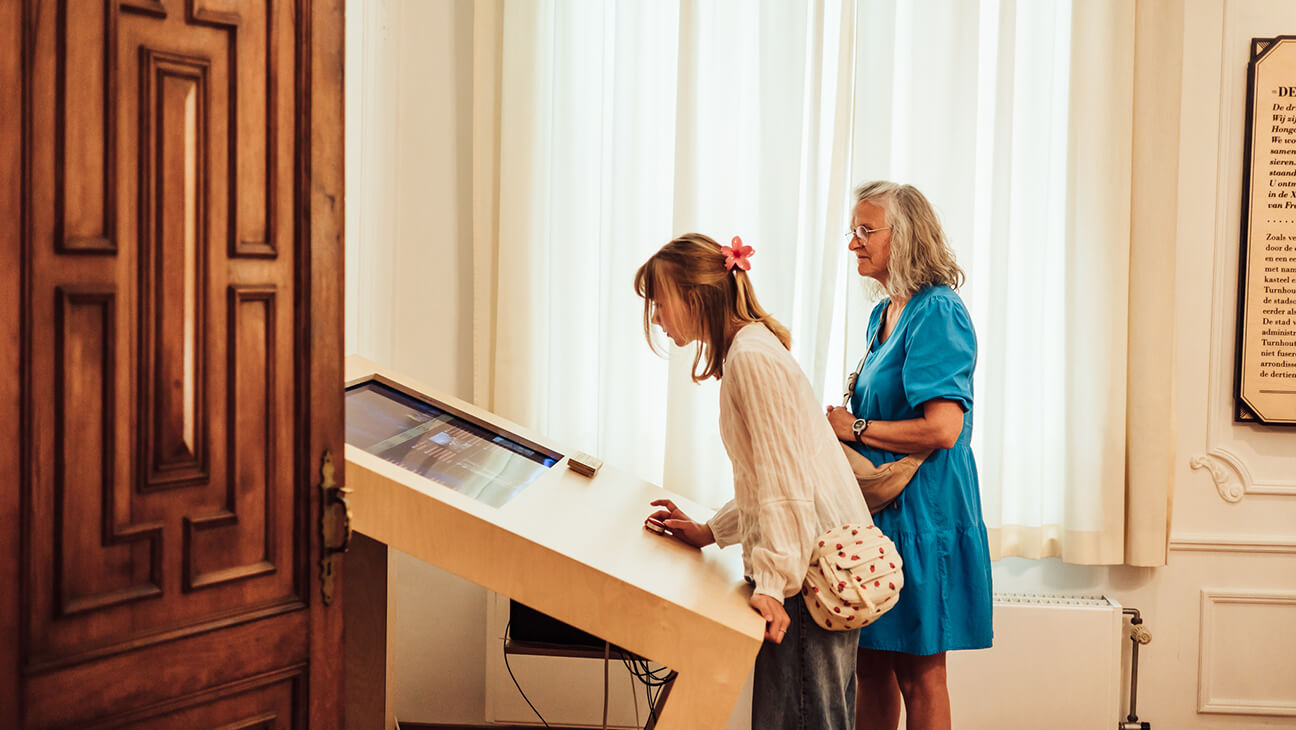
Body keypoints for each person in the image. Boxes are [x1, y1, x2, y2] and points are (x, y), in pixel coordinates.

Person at [636, 233, 871, 730]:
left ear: (695, 297)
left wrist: (773, 582)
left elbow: (784, 485)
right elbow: (767, 478)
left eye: (660, 303)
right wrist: (712, 530)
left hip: (806, 578)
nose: (657, 318)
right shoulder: (751, 350)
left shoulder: (751, 359)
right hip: (810, 568)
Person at [825, 182, 993, 730]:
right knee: (870, 667)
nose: (853, 242)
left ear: (907, 236)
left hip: (927, 516)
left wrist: (857, 427)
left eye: (865, 230)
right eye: (853, 230)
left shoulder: (937, 310)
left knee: (920, 677)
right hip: (883, 517)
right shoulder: (884, 314)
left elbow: (943, 429)